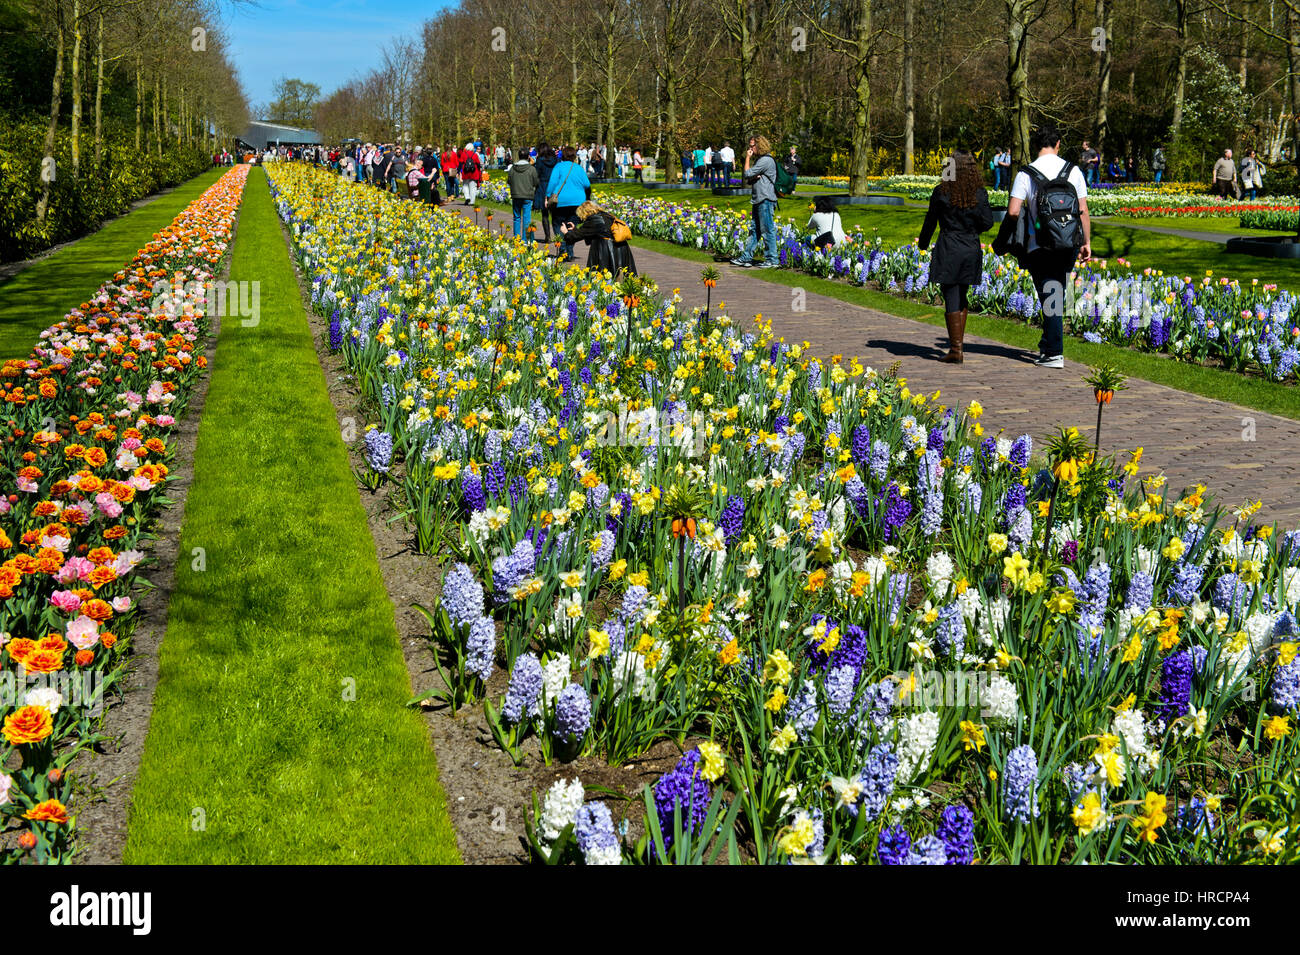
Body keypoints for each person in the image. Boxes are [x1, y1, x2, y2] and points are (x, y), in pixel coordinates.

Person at [1004, 124, 1091, 369]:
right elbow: (1083, 210)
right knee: (1055, 292)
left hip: (1039, 244)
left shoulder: (1026, 174)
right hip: (1069, 242)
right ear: (1058, 144)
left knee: (1050, 294)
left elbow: (1012, 211)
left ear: (1035, 145)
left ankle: (1054, 352)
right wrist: (1086, 242)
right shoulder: (1073, 171)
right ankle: (1048, 346)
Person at [917, 150, 995, 364]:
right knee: (961, 293)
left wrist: (923, 243)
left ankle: (955, 349)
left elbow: (930, 221)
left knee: (950, 292)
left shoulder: (941, 192)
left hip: (949, 245)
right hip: (970, 246)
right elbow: (987, 223)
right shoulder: (979, 194)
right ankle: (957, 347)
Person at [731, 134, 779, 269]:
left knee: (767, 229)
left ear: (759, 145)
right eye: (750, 146)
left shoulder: (765, 160)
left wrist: (747, 158)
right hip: (759, 199)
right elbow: (749, 178)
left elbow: (746, 173)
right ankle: (746, 257)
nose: (750, 149)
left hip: (766, 199)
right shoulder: (761, 160)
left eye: (752, 146)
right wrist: (753, 177)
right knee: (755, 230)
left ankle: (772, 259)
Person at [558, 200, 637, 275]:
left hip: (607, 250)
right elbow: (591, 233)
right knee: (622, 276)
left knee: (604, 278)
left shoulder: (593, 220)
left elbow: (575, 237)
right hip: (621, 248)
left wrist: (566, 232)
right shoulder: (606, 215)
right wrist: (575, 230)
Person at [544, 145, 593, 261]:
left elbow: (552, 183)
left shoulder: (558, 167)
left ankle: (563, 249)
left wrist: (547, 196)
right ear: (574, 156)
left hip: (560, 201)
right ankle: (569, 251)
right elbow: (587, 184)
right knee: (572, 226)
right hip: (577, 202)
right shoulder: (579, 168)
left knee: (558, 225)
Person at [508, 148, 540, 239]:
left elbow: (509, 181)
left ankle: (517, 239)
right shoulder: (531, 169)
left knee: (516, 218)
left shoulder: (513, 168)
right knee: (527, 219)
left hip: (516, 195)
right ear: (528, 157)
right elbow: (536, 182)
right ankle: (526, 240)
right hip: (528, 195)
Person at [533, 141, 559, 242]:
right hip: (554, 186)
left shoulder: (539, 161)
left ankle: (547, 236)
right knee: (555, 213)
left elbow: (537, 174)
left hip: (543, 186)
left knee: (545, 214)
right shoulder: (556, 160)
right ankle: (557, 235)